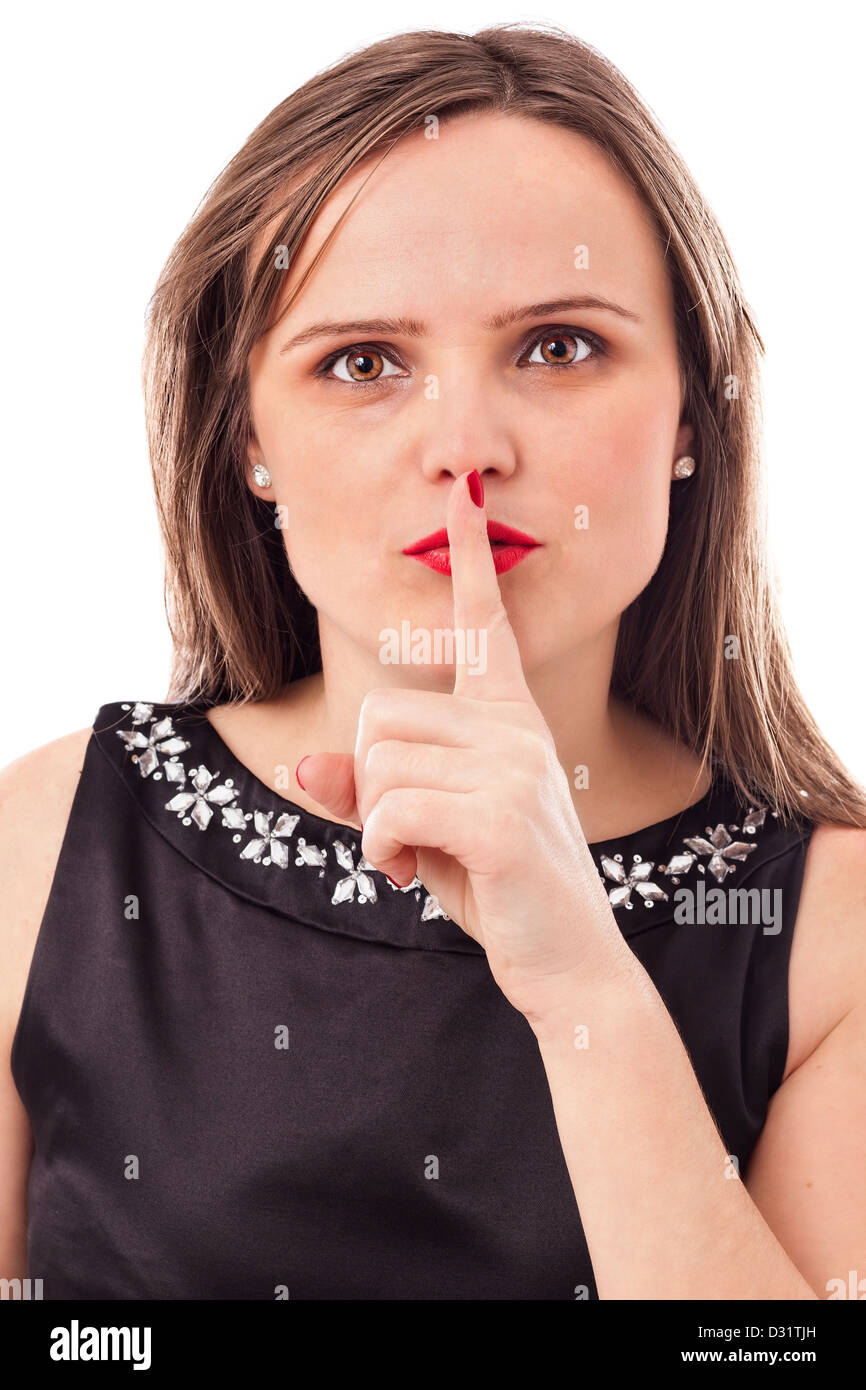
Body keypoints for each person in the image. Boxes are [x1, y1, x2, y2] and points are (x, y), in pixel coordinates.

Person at [2, 23, 865, 1301]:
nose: (464, 444)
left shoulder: (832, 934)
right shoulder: (40, 842)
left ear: (693, 410)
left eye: (558, 346)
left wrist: (583, 985)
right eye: (362, 362)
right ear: (249, 440)